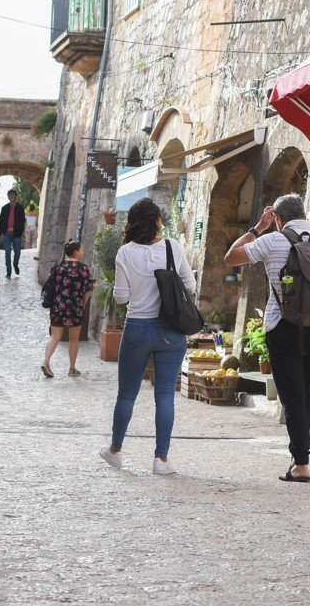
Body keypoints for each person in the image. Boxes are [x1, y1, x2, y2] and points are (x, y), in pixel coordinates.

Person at [225, 193, 310, 482]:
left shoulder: (272, 240)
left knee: (292, 395)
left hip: (282, 325)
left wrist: (258, 228)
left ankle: (301, 464)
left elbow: (231, 256)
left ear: (278, 219)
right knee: (305, 391)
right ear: (304, 214)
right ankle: (300, 456)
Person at [100, 198, 195, 475]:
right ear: (157, 221)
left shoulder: (125, 252)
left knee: (127, 395)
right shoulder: (172, 247)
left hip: (137, 328)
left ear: (132, 222)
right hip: (170, 329)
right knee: (165, 396)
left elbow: (121, 296)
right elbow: (190, 286)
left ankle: (115, 451)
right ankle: (161, 460)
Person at [42, 240, 94, 377]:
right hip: (75, 308)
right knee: (74, 339)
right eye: (81, 249)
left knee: (54, 337)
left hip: (58, 306)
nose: (83, 252)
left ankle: (46, 361)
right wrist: (82, 303)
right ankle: (72, 368)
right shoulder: (82, 268)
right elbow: (89, 288)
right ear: (76, 252)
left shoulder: (59, 266)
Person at [0, 189, 27, 278]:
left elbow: (22, 221)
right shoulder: (4, 208)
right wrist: (0, 233)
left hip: (16, 234)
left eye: (13, 194)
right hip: (6, 234)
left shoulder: (20, 207)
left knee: (17, 252)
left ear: (16, 196)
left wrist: (14, 228)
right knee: (7, 252)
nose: (11, 196)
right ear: (8, 196)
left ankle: (15, 264)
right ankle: (9, 272)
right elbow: (1, 221)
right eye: (10, 195)